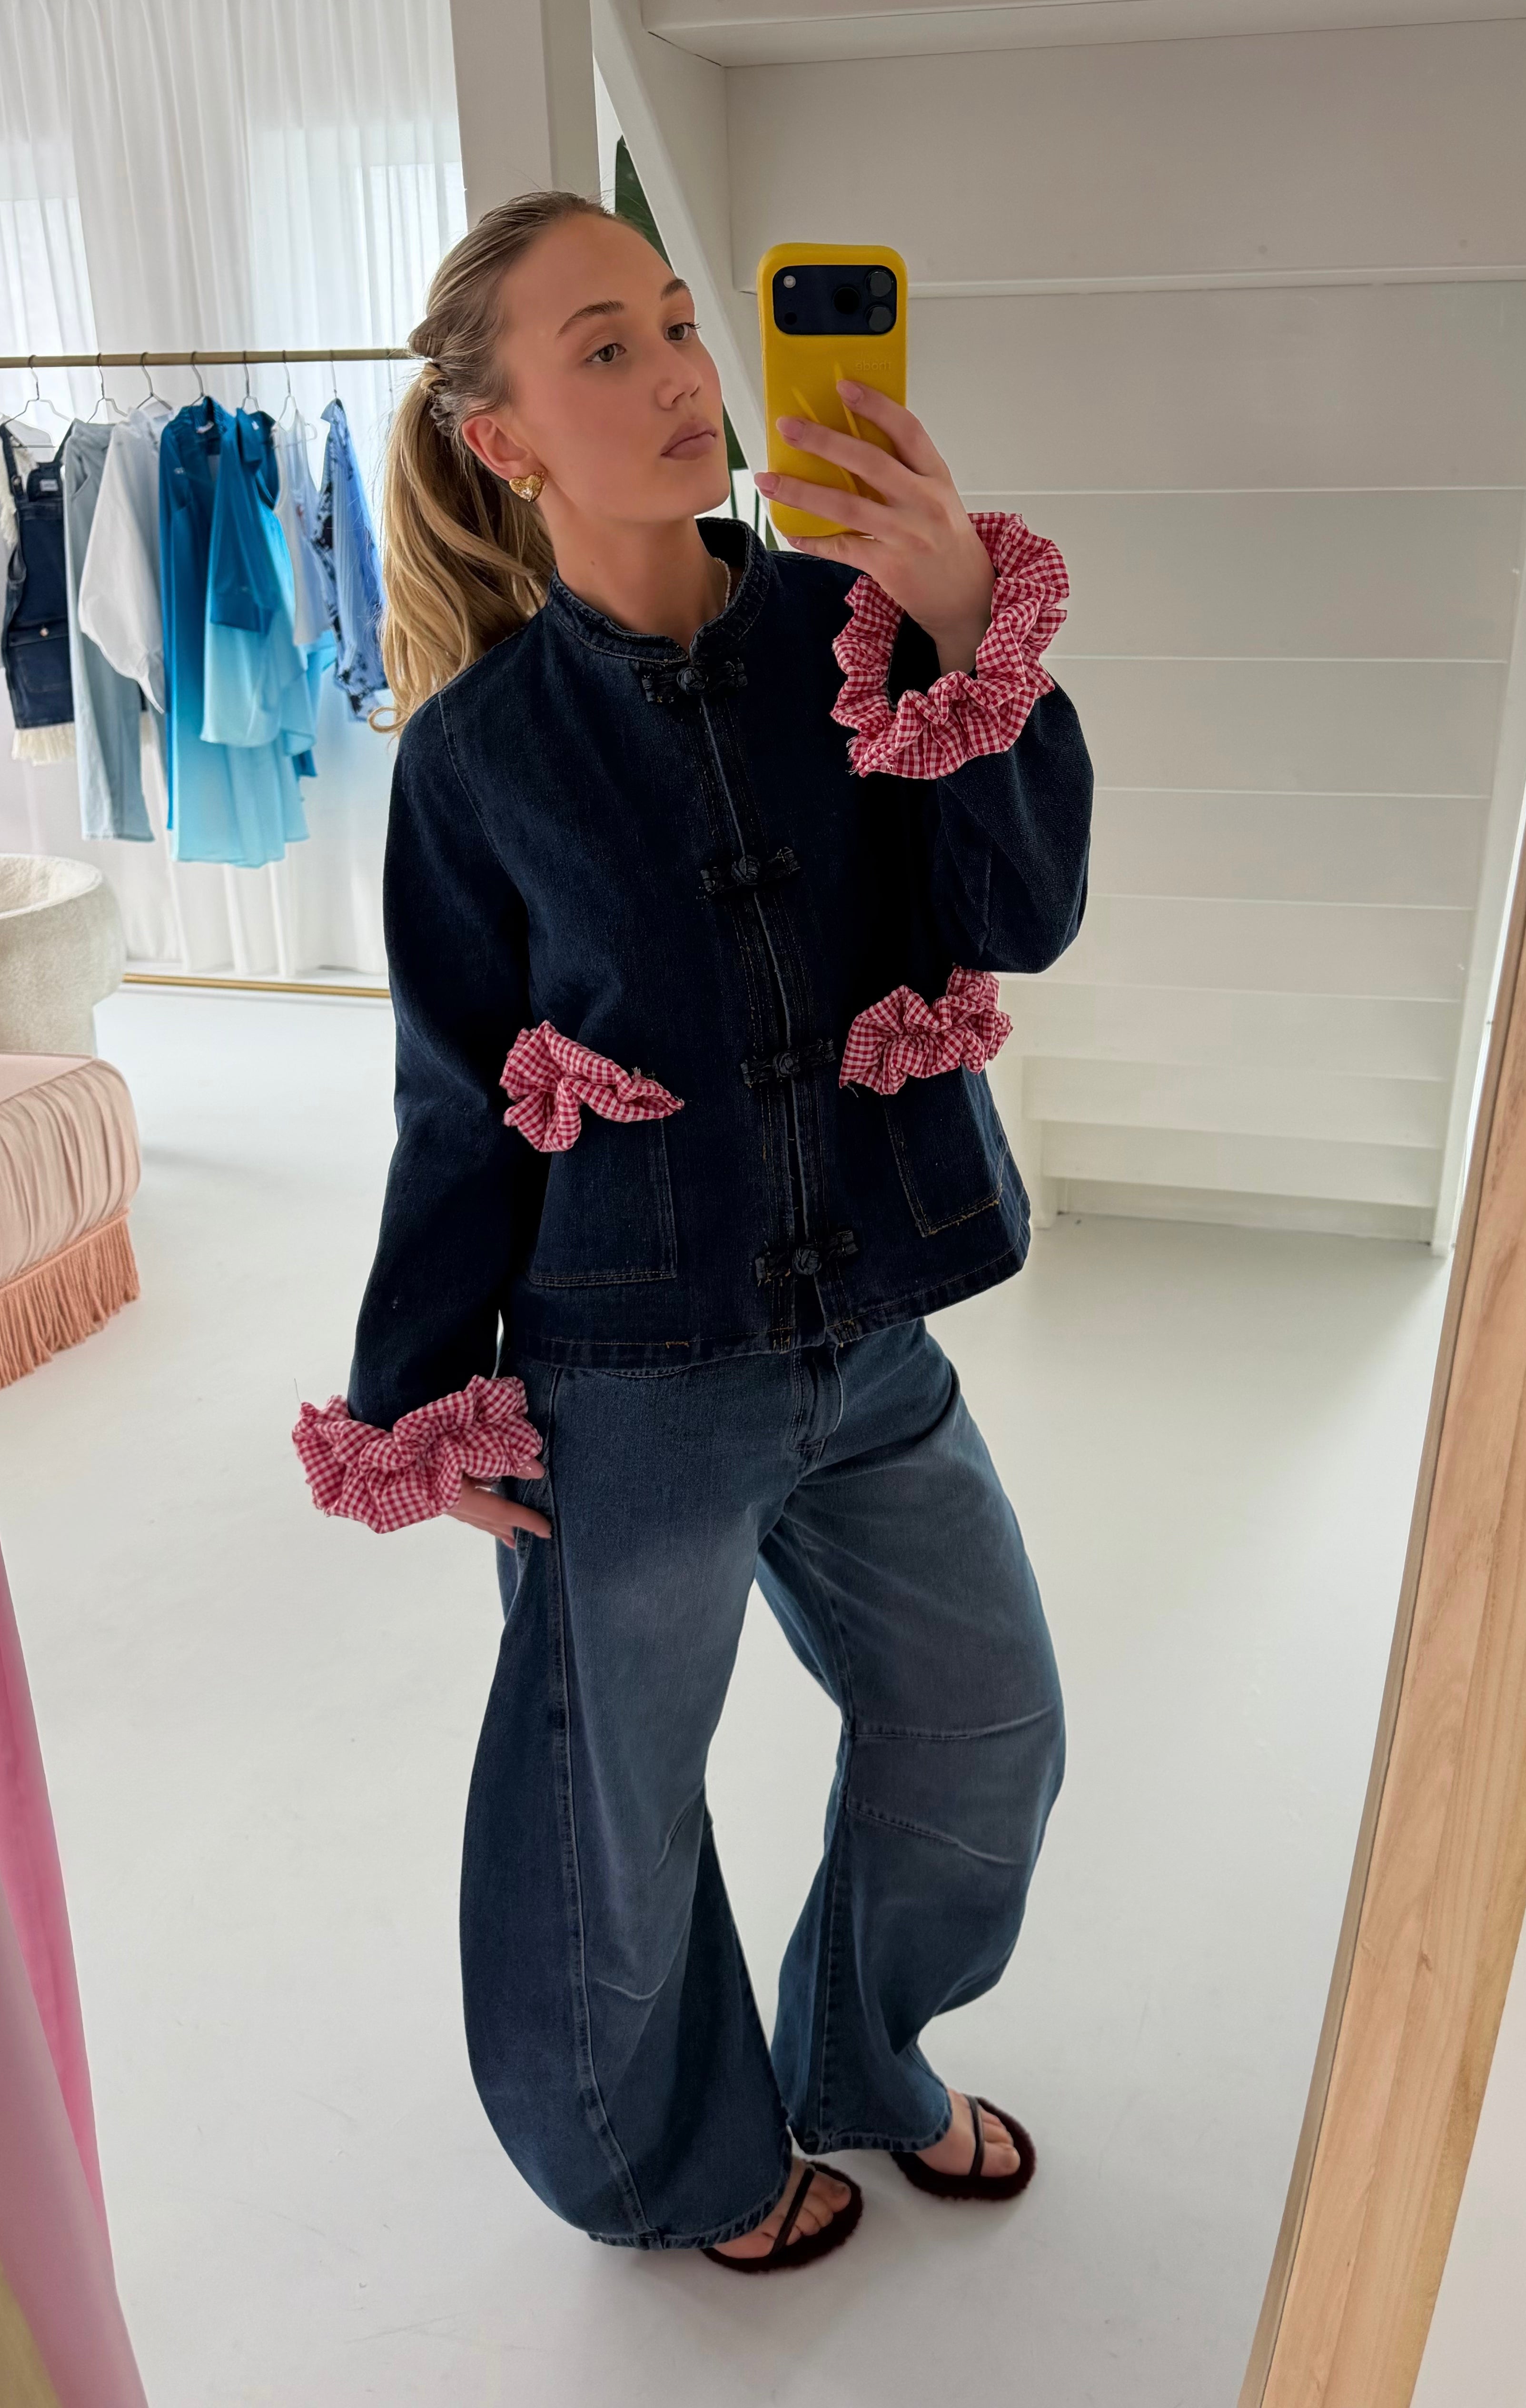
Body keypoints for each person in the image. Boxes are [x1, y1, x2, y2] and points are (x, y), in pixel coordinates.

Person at [291, 190, 1092, 2274]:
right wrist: (420, 1406)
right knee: (613, 1827)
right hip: (630, 1378)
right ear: (503, 437)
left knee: (987, 1722)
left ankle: (859, 2060)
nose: (674, 376)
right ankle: (673, 2166)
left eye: (675, 324)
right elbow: (459, 1104)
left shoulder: (858, 634)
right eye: (605, 348)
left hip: (874, 1347)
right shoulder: (477, 759)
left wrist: (957, 627)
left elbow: (1020, 919)